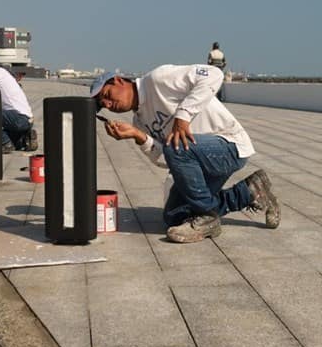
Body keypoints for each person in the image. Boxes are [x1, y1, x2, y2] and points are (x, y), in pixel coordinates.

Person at [90, 65, 280, 243]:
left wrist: (183, 116)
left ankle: (207, 218)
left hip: (229, 145)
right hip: (196, 160)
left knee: (176, 145)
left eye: (107, 95)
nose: (108, 103)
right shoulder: (139, 121)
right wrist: (137, 135)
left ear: (118, 81)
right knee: (174, 216)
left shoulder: (157, 79)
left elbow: (214, 74)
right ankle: (250, 191)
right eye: (103, 105)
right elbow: (168, 160)